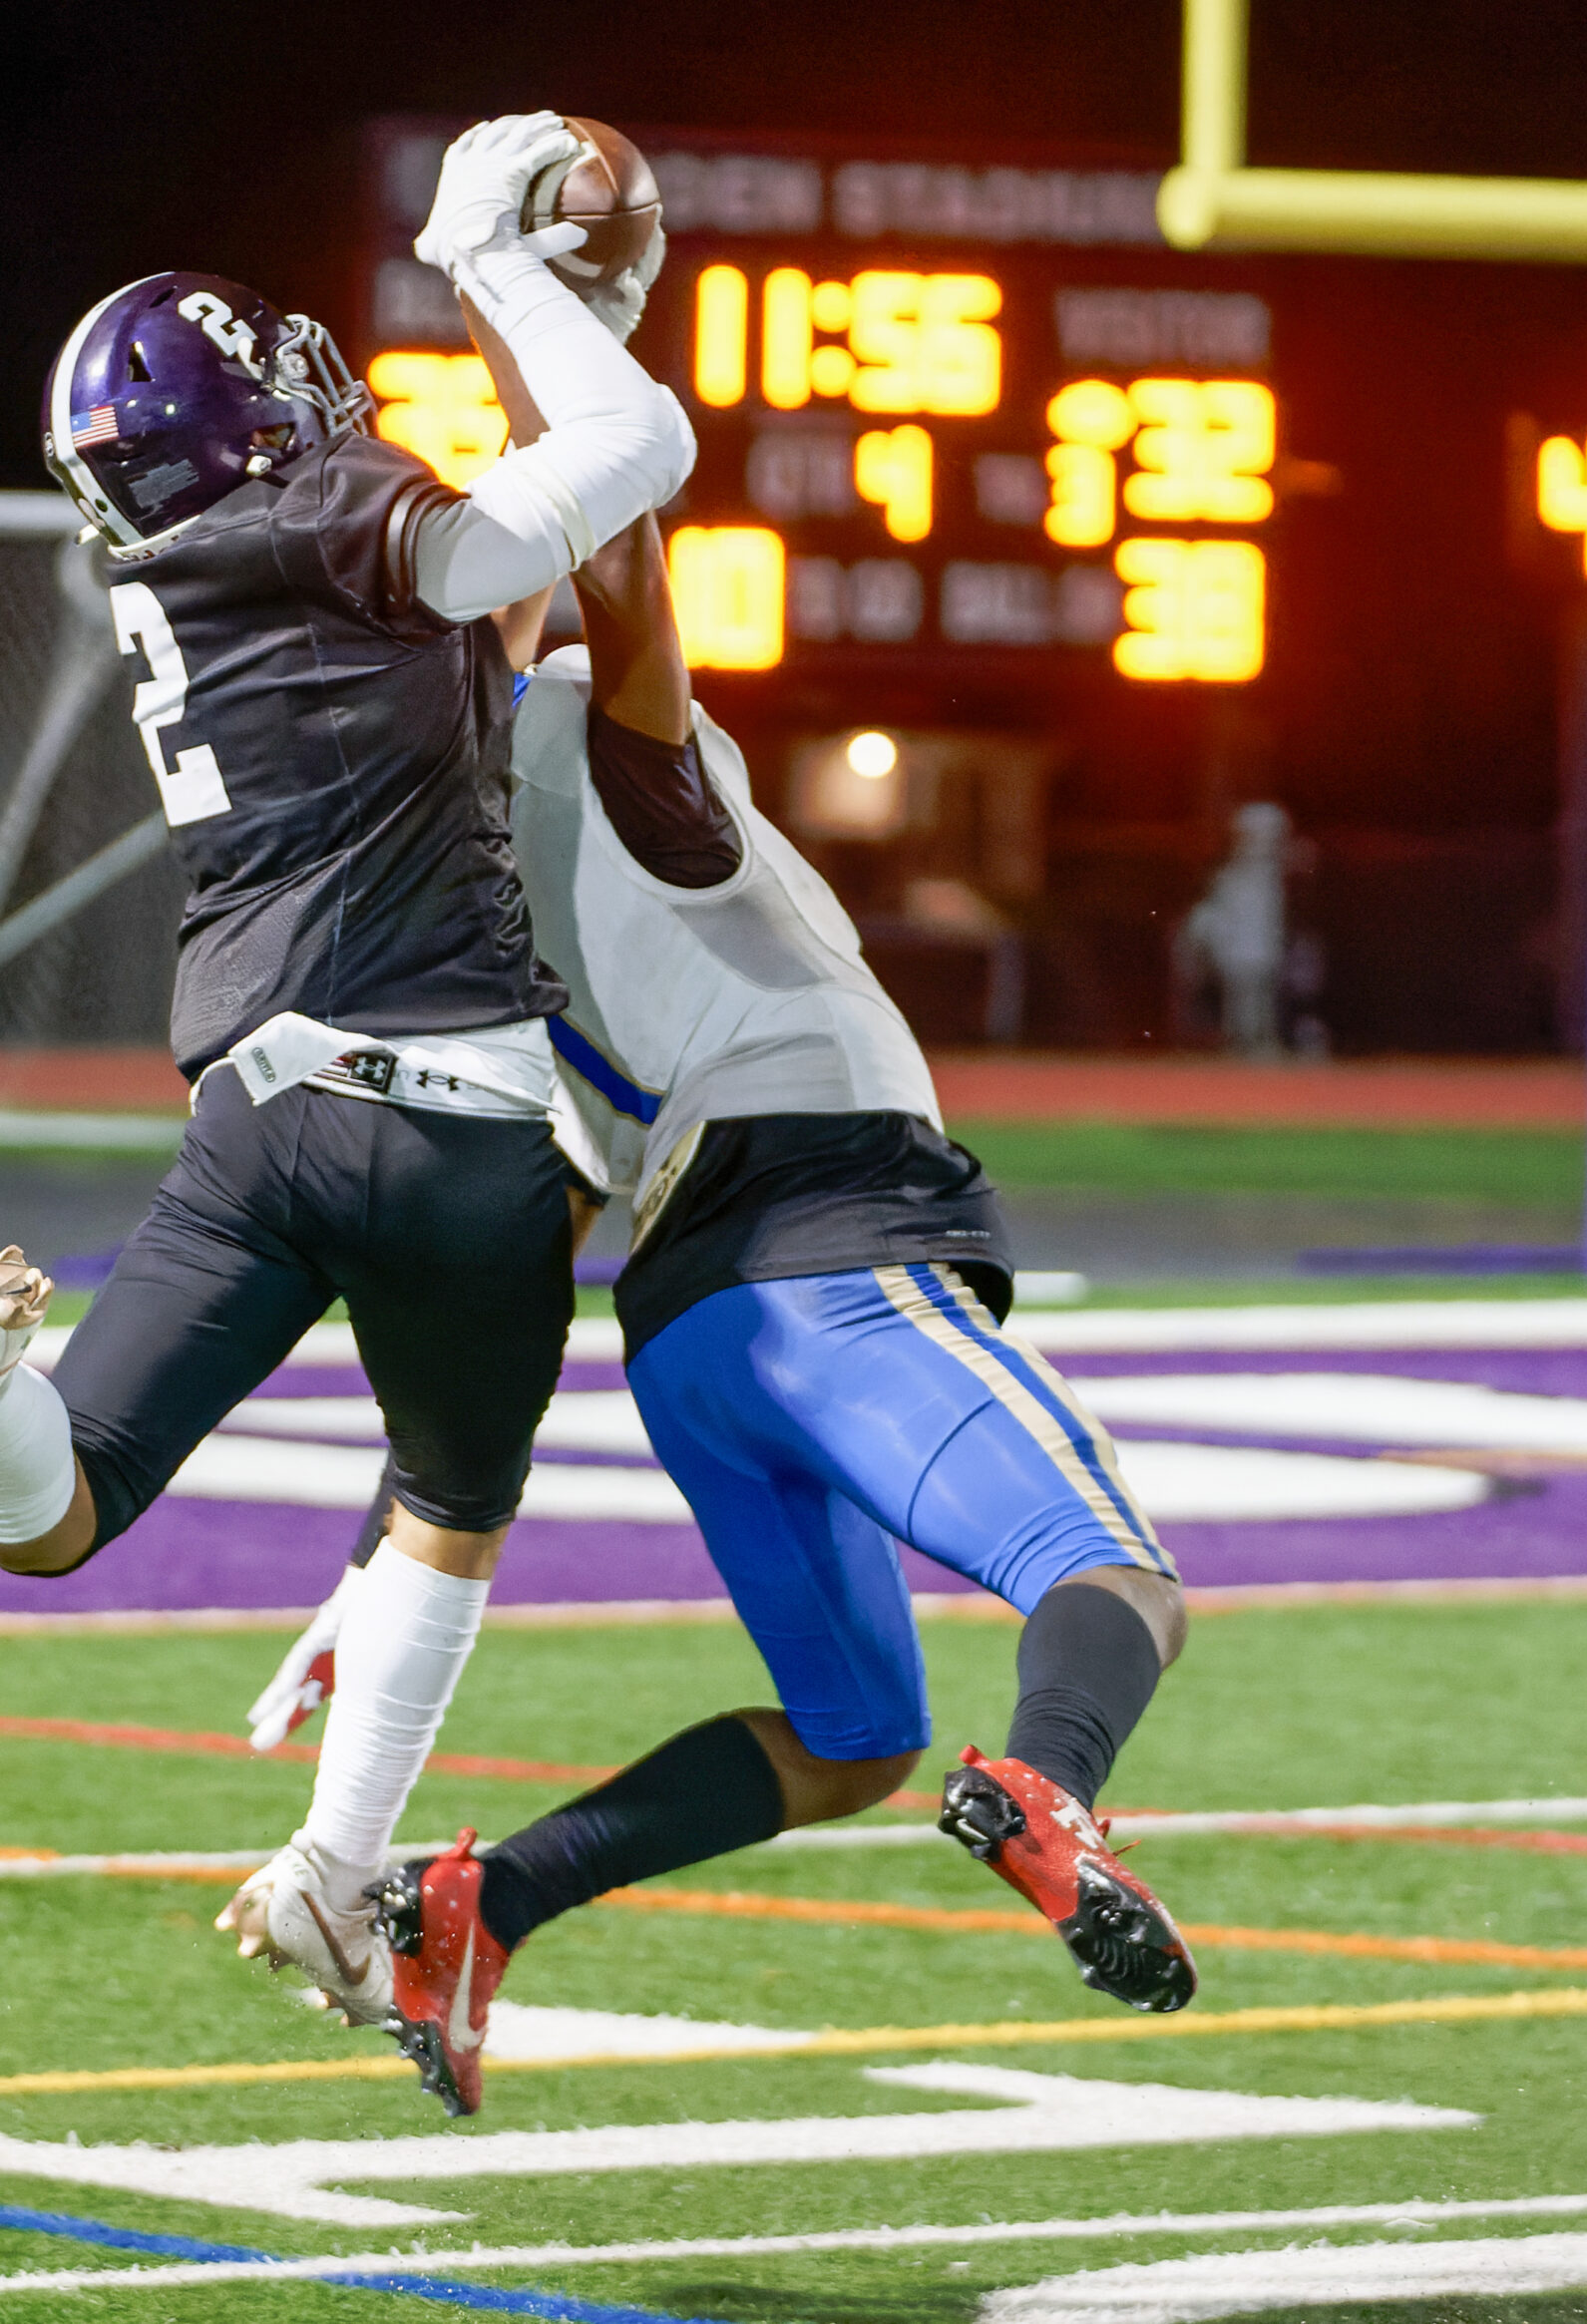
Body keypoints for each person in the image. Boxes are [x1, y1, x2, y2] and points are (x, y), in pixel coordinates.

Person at [0, 115, 693, 2016]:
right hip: (448, 1126)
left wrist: (576, 321)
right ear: (242, 410)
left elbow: (515, 579)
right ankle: (335, 1871)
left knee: (54, 1516)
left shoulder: (219, 575)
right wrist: (499, 267)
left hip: (258, 1119)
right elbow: (636, 460)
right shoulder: (318, 513)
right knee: (454, 1503)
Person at [241, 435, 1193, 2125]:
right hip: (816, 1218)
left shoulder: (414, 932)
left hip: (678, 1325)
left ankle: (486, 1903)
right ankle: (1052, 1786)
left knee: (851, 1733)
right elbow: (615, 552)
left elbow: (501, 1289)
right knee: (1106, 1568)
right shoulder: (577, 733)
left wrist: (383, 1549)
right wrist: (553, 336)